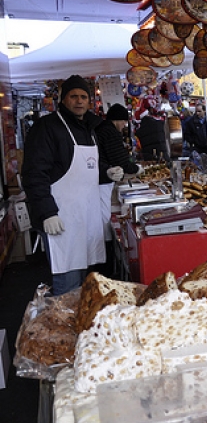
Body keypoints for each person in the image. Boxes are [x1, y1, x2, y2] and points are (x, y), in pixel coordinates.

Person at [22, 75, 122, 295]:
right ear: (63, 100)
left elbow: (86, 167)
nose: (79, 101)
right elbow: (34, 174)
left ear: (89, 101)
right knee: (67, 287)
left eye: (84, 97)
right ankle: (64, 327)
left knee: (86, 285)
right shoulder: (47, 127)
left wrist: (105, 172)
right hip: (61, 219)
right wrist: (47, 212)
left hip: (86, 219)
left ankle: (81, 327)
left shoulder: (88, 128)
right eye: (73, 96)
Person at [96, 104, 142, 250]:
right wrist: (137, 169)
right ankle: (107, 250)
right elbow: (120, 160)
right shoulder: (110, 132)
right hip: (102, 180)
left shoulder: (102, 129)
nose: (124, 125)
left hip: (101, 177)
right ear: (117, 120)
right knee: (104, 219)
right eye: (124, 121)